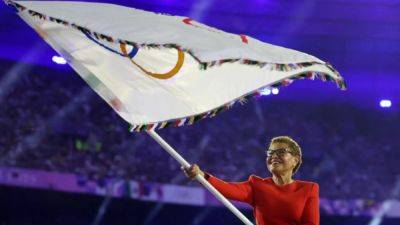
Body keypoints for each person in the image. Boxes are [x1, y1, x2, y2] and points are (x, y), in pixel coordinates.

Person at [183, 136, 319, 225]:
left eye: (281, 152)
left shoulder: (309, 189)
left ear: (295, 160)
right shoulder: (257, 186)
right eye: (270, 153)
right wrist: (201, 176)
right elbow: (228, 189)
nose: (274, 156)